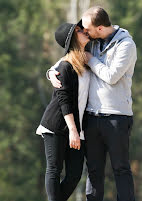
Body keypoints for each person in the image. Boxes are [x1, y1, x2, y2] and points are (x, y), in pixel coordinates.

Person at [48, 6, 137, 201]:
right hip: (91, 118)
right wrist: (51, 72)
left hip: (117, 116)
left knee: (120, 169)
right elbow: (68, 57)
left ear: (99, 28)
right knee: (94, 171)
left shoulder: (126, 45)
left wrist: (91, 59)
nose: (83, 31)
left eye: (86, 28)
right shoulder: (92, 42)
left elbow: (112, 76)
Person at [36, 22, 91, 201]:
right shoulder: (66, 66)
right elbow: (63, 100)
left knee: (75, 174)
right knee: (54, 169)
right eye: (79, 30)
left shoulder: (85, 60)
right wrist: (73, 131)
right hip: (58, 125)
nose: (84, 31)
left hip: (77, 128)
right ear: (73, 38)